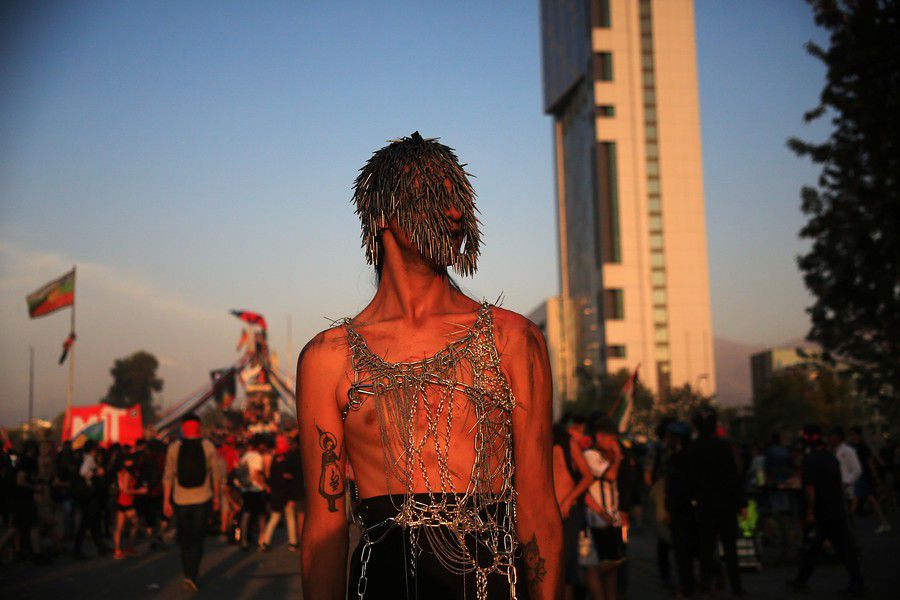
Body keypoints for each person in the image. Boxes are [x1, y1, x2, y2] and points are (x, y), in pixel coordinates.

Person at [296, 133, 562, 599]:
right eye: (434, 198)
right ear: (382, 214)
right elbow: (324, 529)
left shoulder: (512, 340)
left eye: (458, 198)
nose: (455, 213)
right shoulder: (328, 358)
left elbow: (539, 505)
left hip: (491, 584)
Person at [787, 425, 865, 594]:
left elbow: (810, 488)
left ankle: (802, 580)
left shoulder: (810, 460)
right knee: (830, 547)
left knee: (816, 546)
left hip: (822, 511)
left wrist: (810, 511)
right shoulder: (831, 458)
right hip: (835, 508)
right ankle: (802, 579)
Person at [686, 406, 745, 597]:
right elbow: (733, 476)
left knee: (706, 549)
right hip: (725, 505)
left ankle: (705, 585)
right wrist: (741, 503)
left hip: (704, 506)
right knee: (730, 549)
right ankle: (736, 586)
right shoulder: (724, 447)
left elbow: (690, 480)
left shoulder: (693, 448)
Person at [163, 413, 221, 592]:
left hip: (180, 500)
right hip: (202, 499)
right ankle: (192, 574)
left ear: (183, 427)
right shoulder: (208, 446)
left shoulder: (174, 447)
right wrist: (217, 498)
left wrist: (166, 501)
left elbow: (168, 476)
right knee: (198, 538)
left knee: (185, 539)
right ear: (199, 426)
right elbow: (216, 476)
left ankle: (187, 572)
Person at [582, 417, 625, 600]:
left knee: (613, 566)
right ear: (599, 436)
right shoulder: (590, 455)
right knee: (597, 567)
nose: (614, 443)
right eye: (611, 439)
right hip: (597, 519)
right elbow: (611, 475)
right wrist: (619, 458)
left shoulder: (604, 456)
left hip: (611, 517)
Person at [552, 423, 594, 599]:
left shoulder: (567, 444)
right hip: (550, 511)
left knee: (567, 565)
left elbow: (587, 476)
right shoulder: (540, 444)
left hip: (570, 510)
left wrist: (568, 501)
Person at [664, 420, 697, 598]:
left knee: (683, 553)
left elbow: (676, 488)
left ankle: (687, 587)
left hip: (683, 511)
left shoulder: (679, 460)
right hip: (685, 510)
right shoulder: (683, 457)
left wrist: (670, 508)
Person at [848, 426, 891, 533]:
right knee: (869, 500)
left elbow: (870, 462)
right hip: (859, 477)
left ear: (858, 435)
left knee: (859, 500)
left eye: (853, 434)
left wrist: (875, 476)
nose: (851, 436)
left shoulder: (862, 447)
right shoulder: (853, 446)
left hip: (862, 477)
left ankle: (848, 525)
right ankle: (883, 523)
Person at [72, 440, 109, 559]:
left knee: (94, 522)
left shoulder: (84, 457)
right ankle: (77, 550)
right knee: (86, 523)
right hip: (89, 496)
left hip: (86, 496)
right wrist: (95, 474)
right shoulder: (89, 459)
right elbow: (83, 472)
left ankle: (101, 546)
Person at [236, 435, 268, 551]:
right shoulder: (257, 457)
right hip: (256, 490)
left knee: (246, 514)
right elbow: (256, 474)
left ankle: (243, 540)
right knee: (261, 515)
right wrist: (265, 486)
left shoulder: (244, 457)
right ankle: (262, 540)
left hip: (245, 489)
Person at [113, 454, 145, 559]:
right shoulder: (127, 473)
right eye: (129, 460)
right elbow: (125, 490)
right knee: (135, 524)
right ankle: (128, 547)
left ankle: (118, 550)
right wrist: (139, 491)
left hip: (122, 501)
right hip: (126, 502)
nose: (131, 462)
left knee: (120, 527)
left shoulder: (122, 472)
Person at [828, 426, 862, 504]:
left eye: (831, 436)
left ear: (838, 437)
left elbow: (857, 470)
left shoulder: (848, 451)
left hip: (845, 491)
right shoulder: (831, 451)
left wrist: (846, 482)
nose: (829, 439)